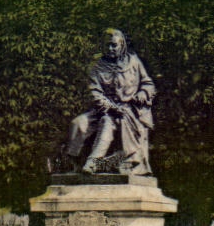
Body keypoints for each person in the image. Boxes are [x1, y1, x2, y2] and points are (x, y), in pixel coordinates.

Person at [57, 28, 156, 175]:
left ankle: (93, 163)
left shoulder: (133, 62)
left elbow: (148, 84)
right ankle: (72, 163)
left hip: (130, 109)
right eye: (107, 45)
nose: (110, 48)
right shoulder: (97, 67)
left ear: (122, 45)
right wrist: (109, 107)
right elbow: (94, 92)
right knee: (78, 123)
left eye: (114, 45)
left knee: (107, 122)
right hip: (103, 108)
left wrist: (142, 93)